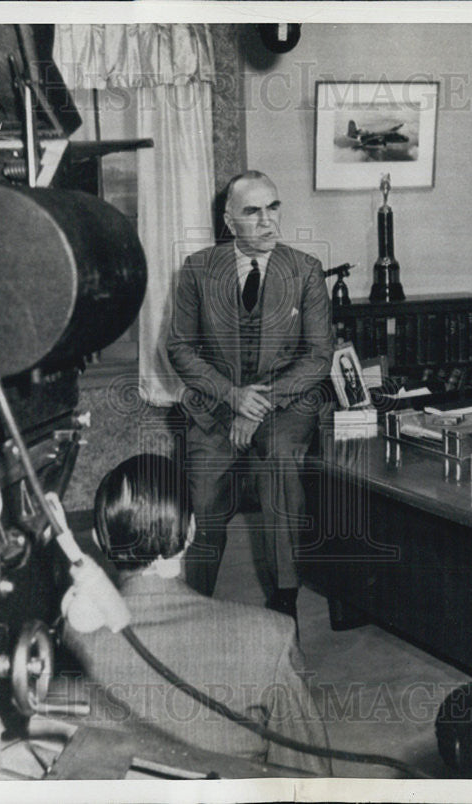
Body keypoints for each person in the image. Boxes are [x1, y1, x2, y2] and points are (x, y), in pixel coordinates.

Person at [62, 454, 332, 775]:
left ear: (98, 540)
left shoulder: (66, 648)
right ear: (191, 530)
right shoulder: (268, 636)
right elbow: (310, 780)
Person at [167, 170, 333, 618]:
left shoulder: (305, 271)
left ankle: (285, 599)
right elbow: (179, 348)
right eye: (252, 211)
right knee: (203, 500)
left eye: (274, 207)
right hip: (217, 407)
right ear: (229, 220)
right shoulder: (198, 271)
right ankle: (193, 605)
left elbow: (319, 356)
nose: (267, 221)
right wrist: (233, 397)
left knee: (280, 464)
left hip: (285, 405)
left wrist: (259, 405)